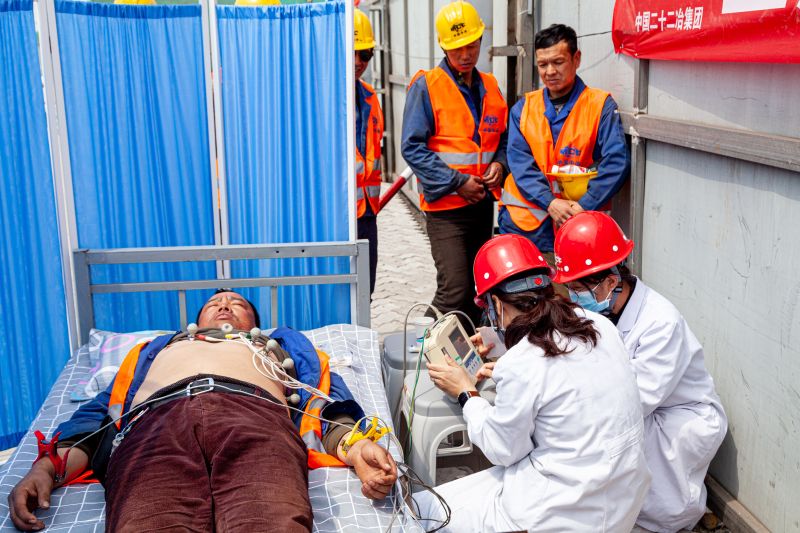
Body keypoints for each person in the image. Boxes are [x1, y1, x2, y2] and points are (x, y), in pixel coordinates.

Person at [8, 290, 397, 532]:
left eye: (237, 303)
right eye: (215, 303)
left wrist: (356, 447)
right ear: (197, 321)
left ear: (255, 324)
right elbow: (95, 418)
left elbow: (324, 400)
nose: (224, 305)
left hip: (256, 418)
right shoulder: (157, 349)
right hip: (154, 426)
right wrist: (45, 469)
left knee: (270, 522)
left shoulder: (277, 348)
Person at [413, 234, 650, 532]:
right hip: (620, 499)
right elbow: (560, 360)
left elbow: (502, 450)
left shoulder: (521, 364)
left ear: (495, 304)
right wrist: (499, 344)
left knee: (425, 510)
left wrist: (467, 393)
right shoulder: (596, 322)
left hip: (561, 513)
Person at [553, 211, 728, 532]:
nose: (574, 298)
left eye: (578, 289)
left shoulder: (659, 323)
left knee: (661, 510)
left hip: (678, 416)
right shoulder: (603, 308)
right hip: (642, 407)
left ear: (610, 281)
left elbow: (635, 401)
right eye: (570, 289)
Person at [401, 0, 508, 328]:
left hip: (481, 204)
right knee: (454, 290)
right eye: (457, 47)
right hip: (446, 209)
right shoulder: (427, 86)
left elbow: (504, 138)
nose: (465, 54)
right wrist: (458, 182)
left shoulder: (490, 85)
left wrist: (500, 165)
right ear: (443, 46)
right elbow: (412, 147)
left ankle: (470, 347)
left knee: (478, 288)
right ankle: (422, 348)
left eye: (471, 45)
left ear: (480, 40)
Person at [501, 23, 629, 260]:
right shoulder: (523, 109)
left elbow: (616, 162)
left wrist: (584, 206)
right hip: (526, 226)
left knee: (572, 284)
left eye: (558, 62)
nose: (550, 71)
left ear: (576, 59)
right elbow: (520, 165)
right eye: (542, 64)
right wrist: (550, 202)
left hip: (578, 226)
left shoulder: (599, 105)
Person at [354, 8, 384, 296]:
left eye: (364, 54)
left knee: (365, 290)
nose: (357, 62)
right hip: (335, 216)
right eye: (350, 53)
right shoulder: (318, 99)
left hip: (366, 214)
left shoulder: (370, 98)